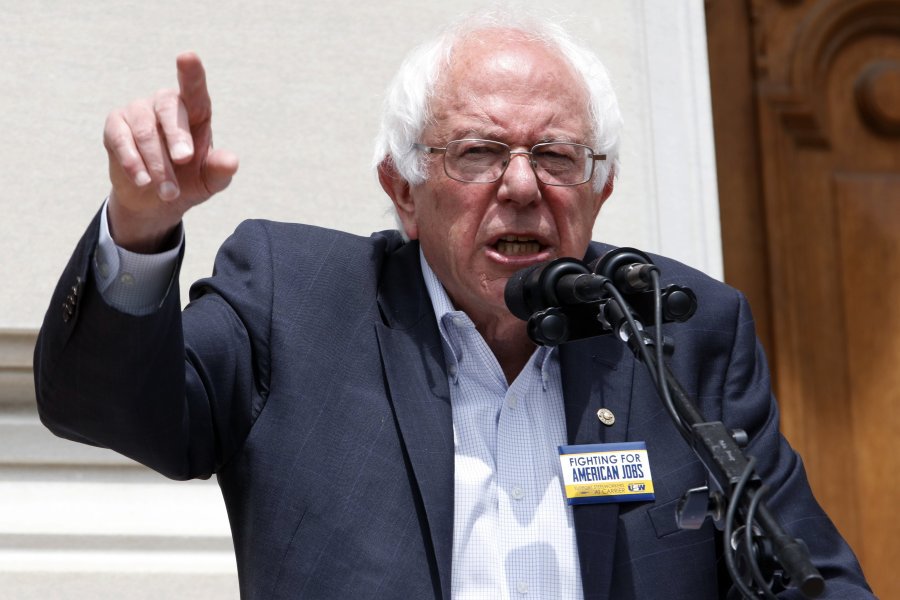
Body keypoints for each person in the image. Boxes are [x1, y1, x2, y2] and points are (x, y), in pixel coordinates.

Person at [34, 9, 874, 600]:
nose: (520, 185)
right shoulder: (297, 301)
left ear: (602, 186)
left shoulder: (675, 331)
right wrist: (140, 231)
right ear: (402, 189)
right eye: (476, 152)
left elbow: (806, 571)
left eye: (555, 154)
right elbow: (105, 407)